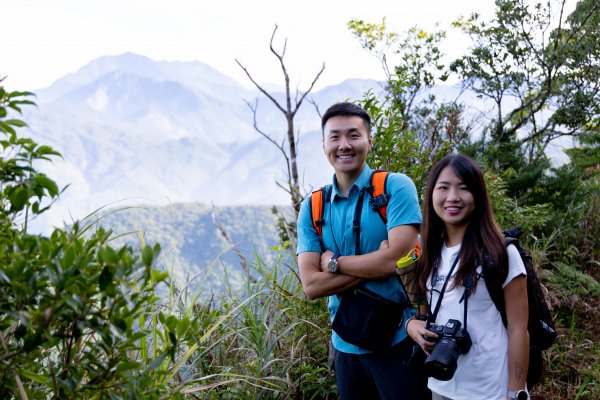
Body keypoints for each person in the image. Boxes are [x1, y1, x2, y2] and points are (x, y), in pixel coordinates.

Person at [296, 102, 427, 399]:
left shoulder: (395, 187)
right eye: (335, 137)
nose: (344, 145)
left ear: (369, 140)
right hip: (345, 345)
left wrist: (334, 262)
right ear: (323, 145)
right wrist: (379, 263)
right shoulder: (314, 206)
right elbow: (312, 286)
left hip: (399, 338)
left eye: (353, 135)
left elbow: (396, 260)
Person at [405, 154, 529, 400]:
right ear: (431, 195)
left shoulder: (501, 253)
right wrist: (411, 325)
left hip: (489, 389)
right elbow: (422, 312)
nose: (452, 197)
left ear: (478, 196)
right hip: (440, 385)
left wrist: (516, 392)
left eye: (464, 188)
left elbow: (519, 329)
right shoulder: (428, 252)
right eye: (443, 188)